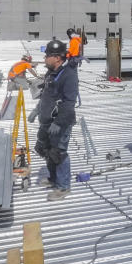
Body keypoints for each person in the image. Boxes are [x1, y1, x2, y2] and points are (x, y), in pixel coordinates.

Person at [34, 38, 79, 201]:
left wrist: (58, 123)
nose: (45, 58)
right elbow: (47, 94)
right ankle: (54, 179)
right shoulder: (51, 72)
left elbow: (69, 103)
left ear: (58, 58)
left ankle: (63, 187)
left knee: (58, 153)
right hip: (46, 120)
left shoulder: (69, 75)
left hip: (60, 122)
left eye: (48, 56)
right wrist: (36, 110)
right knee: (45, 150)